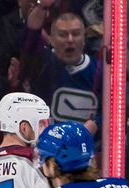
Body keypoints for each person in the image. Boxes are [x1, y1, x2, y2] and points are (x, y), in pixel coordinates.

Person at [23, 6, 101, 134]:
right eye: (63, 35)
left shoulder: (99, 70)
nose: (70, 39)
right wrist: (42, 6)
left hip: (88, 148)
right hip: (47, 147)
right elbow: (31, 35)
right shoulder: (42, 63)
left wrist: (95, 124)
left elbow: (110, 110)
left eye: (75, 34)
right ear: (51, 40)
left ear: (84, 39)